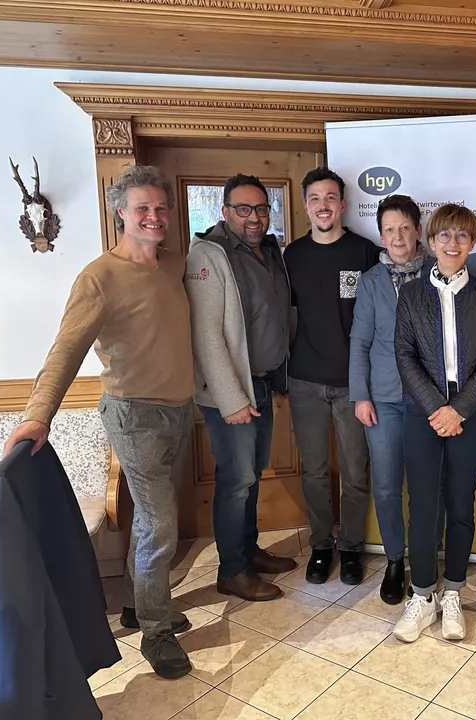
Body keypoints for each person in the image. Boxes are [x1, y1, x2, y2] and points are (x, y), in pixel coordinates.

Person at [3, 165, 197, 680]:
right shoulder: (99, 277)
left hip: (180, 410)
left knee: (152, 519)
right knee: (160, 522)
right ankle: (156, 630)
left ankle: (136, 604)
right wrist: (37, 415)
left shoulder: (174, 264)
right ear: (120, 213)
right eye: (142, 208)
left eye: (161, 208)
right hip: (134, 415)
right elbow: (65, 350)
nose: (154, 216)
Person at [392, 204, 476, 643]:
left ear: (472, 243)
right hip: (422, 416)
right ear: (431, 241)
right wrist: (437, 409)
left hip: (472, 416)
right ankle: (422, 595)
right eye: (445, 235)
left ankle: (453, 591)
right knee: (423, 506)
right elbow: (405, 356)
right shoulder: (411, 294)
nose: (453, 243)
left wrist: (459, 410)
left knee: (460, 504)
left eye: (462, 236)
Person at [185, 173, 298, 603]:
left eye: (261, 209)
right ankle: (232, 570)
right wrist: (230, 399)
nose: (254, 217)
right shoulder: (208, 255)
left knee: (251, 476)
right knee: (235, 481)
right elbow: (205, 334)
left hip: (264, 384)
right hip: (231, 393)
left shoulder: (270, 251)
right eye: (244, 209)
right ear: (225, 211)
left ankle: (248, 553)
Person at [284, 167, 381, 586]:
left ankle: (352, 547)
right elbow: (285, 316)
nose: (322, 206)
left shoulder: (364, 252)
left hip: (353, 384)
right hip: (304, 380)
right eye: (315, 198)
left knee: (356, 471)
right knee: (314, 471)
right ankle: (322, 545)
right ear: (306, 206)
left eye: (330, 198)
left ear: (342, 204)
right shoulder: (292, 256)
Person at [349, 194, 444, 605]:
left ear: (418, 231)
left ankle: (426, 558)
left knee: (428, 486)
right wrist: (360, 395)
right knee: (387, 485)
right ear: (381, 235)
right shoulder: (371, 281)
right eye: (389, 230)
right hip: (383, 399)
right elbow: (360, 340)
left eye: (405, 227)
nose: (398, 237)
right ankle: (394, 559)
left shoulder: (439, 271)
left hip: (429, 398)